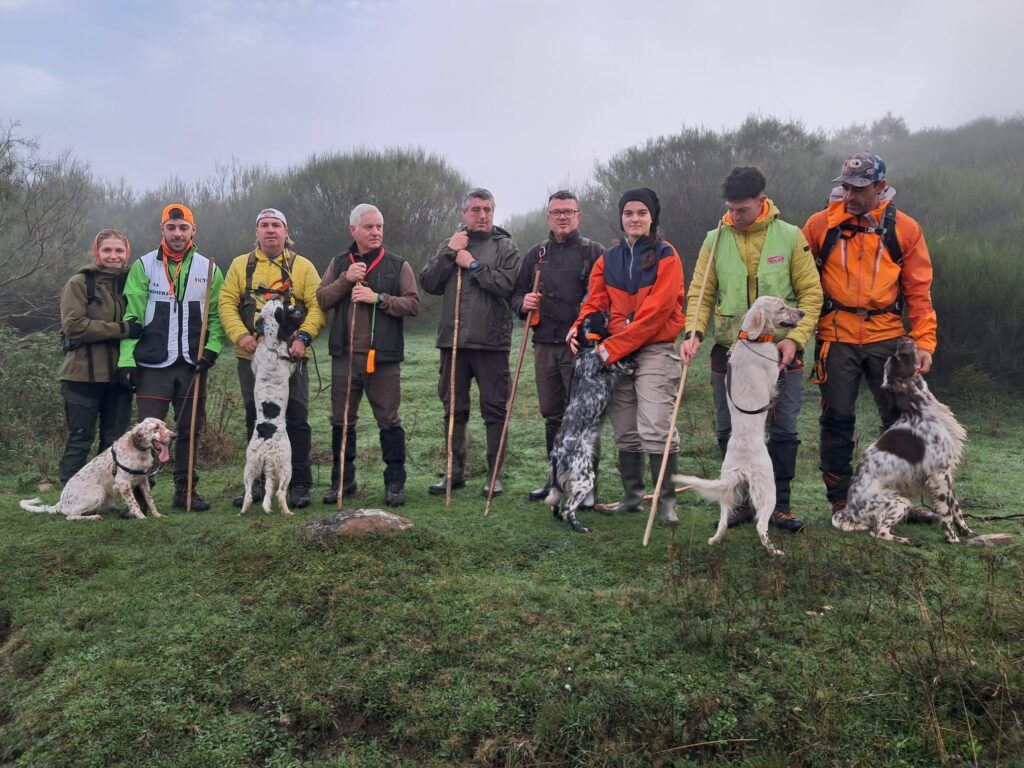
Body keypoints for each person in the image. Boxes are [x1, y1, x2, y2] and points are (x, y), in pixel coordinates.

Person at [681, 166, 822, 532]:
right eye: (730, 208)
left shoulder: (791, 236)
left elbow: (811, 292)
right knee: (730, 429)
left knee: (784, 429)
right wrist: (693, 331)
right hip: (730, 350)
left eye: (742, 209)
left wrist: (795, 337)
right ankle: (738, 504)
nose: (735, 215)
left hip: (781, 351)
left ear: (761, 202)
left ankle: (780, 506)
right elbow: (700, 291)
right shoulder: (714, 239)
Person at [803, 153, 938, 522]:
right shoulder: (819, 226)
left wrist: (923, 342)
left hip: (887, 336)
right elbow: (798, 282)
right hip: (836, 335)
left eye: (860, 188)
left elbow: (919, 292)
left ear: (880, 186)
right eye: (846, 186)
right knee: (836, 419)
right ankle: (842, 501)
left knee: (900, 421)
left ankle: (897, 501)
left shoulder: (905, 228)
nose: (851, 195)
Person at [568, 188, 685, 526]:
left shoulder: (667, 255)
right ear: (621, 217)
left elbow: (655, 315)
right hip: (616, 352)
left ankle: (666, 503)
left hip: (652, 349)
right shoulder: (609, 258)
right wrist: (580, 328)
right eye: (629, 213)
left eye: (641, 213)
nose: (635, 219)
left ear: (652, 218)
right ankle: (633, 497)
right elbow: (594, 301)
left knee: (656, 427)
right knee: (626, 430)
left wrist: (609, 349)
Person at [118, 205, 224, 510]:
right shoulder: (144, 265)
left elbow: (215, 317)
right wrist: (127, 360)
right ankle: (139, 494)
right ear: (162, 230)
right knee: (147, 434)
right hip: (153, 364)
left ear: (193, 231)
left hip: (193, 364)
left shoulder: (209, 268)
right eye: (171, 228)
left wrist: (213, 349)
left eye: (183, 228)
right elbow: (132, 315)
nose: (177, 234)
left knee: (191, 430)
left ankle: (186, 491)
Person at [220, 208, 326, 509]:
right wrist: (241, 336)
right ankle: (252, 485)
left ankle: (300, 485)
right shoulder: (241, 265)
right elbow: (226, 303)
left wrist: (304, 337)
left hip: (293, 357)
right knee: (256, 419)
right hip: (251, 357)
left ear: (286, 231)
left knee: (297, 418)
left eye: (276, 225)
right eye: (264, 226)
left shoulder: (302, 266)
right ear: (257, 232)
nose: (270, 231)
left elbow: (318, 305)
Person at [315, 203, 421, 508]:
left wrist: (380, 299)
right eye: (369, 227)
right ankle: (343, 482)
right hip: (344, 359)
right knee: (341, 420)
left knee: (389, 421)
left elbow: (413, 304)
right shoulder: (338, 264)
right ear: (353, 231)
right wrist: (346, 280)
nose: (376, 232)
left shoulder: (398, 265)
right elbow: (321, 300)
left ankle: (395, 484)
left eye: (379, 227)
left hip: (383, 360)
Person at [420, 188, 521, 497]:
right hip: (453, 344)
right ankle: (453, 474)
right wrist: (450, 253)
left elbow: (507, 285)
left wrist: (473, 265)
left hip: (491, 344)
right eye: (476, 209)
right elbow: (429, 283)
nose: (482, 215)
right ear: (464, 213)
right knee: (453, 409)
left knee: (494, 410)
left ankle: (494, 476)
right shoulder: (450, 244)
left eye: (487, 209)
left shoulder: (506, 247)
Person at [512, 190, 604, 502]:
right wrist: (523, 302)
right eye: (556, 212)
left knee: (581, 416)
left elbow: (606, 301)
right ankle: (555, 480)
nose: (562, 216)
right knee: (552, 415)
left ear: (579, 215)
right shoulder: (536, 254)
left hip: (581, 347)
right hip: (544, 344)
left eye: (568, 211)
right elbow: (515, 295)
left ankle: (586, 485)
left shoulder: (594, 252)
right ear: (548, 217)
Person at [57, 229, 140, 482]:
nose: (113, 256)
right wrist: (122, 330)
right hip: (82, 375)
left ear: (127, 254)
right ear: (96, 252)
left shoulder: (133, 283)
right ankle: (68, 494)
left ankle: (110, 494)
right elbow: (74, 326)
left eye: (119, 250)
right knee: (80, 437)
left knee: (115, 441)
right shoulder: (79, 283)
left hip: (119, 375)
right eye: (107, 250)